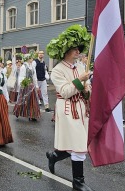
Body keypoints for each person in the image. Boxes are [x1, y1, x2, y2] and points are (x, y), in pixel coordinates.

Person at [46, 26, 93, 191]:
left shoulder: (81, 67)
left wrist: (87, 91)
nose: (77, 51)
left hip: (81, 108)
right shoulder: (57, 70)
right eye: (73, 48)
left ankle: (54, 156)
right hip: (67, 109)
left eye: (78, 49)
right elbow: (65, 92)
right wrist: (80, 80)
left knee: (75, 143)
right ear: (65, 50)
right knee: (78, 142)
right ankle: (78, 182)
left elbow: (86, 91)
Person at [13, 54, 40, 121]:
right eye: (31, 58)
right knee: (23, 100)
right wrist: (22, 85)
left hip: (32, 86)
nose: (32, 59)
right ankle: (18, 111)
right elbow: (21, 77)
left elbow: (34, 77)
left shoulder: (32, 67)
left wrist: (36, 85)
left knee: (32, 100)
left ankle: (32, 114)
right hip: (25, 85)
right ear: (28, 59)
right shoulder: (24, 67)